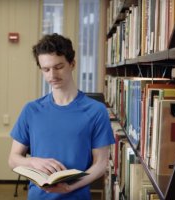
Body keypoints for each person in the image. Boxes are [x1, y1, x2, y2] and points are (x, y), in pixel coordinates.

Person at [8, 33, 115, 200]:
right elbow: (13, 159)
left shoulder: (96, 111)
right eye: (46, 69)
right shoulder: (31, 110)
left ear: (72, 64)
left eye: (58, 67)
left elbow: (100, 164)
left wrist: (70, 186)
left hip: (77, 196)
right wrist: (33, 162)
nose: (52, 75)